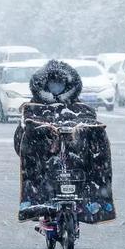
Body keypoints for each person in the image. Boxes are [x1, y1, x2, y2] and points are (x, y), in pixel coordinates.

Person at [14, 59, 116, 223]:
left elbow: (92, 129)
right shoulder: (32, 108)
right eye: (52, 84)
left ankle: (94, 202)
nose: (56, 88)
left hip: (76, 159)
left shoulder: (81, 108)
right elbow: (20, 141)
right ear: (44, 86)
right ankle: (38, 202)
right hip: (46, 162)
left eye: (59, 83)